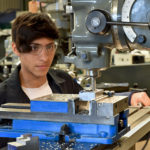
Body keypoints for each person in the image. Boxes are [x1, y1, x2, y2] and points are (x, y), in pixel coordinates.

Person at [0, 12, 82, 148]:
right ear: (16, 48)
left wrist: (128, 97)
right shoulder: (2, 98)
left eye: (49, 47)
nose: (45, 57)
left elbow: (93, 105)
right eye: (34, 48)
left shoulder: (65, 82)